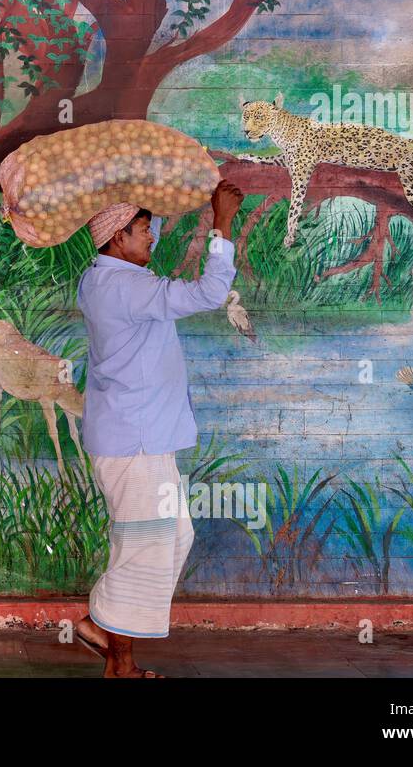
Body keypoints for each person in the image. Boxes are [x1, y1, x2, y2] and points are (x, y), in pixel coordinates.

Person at [73, 180, 244, 678]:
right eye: (144, 230)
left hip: (140, 438)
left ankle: (101, 626)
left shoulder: (100, 278)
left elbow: (140, 240)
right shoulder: (129, 287)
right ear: (118, 238)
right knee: (146, 548)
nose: (153, 238)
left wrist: (157, 197)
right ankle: (118, 663)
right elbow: (211, 292)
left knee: (171, 539)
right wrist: (223, 221)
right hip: (136, 442)